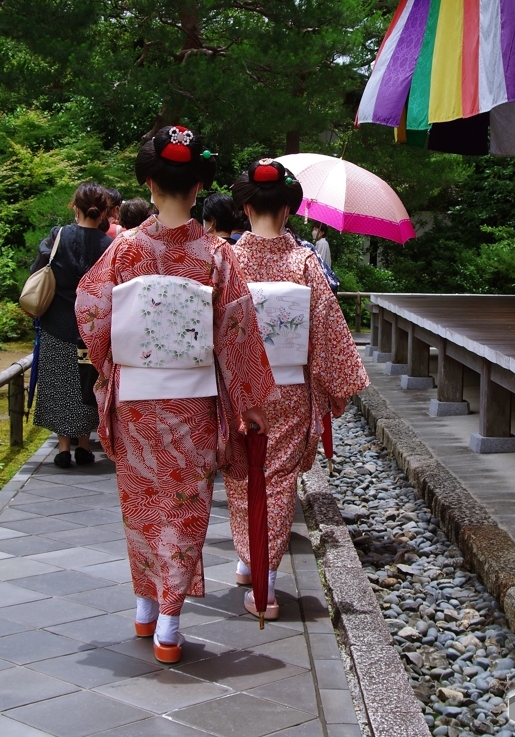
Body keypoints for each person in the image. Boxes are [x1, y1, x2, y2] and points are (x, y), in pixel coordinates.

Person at [75, 126, 275, 664]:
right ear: (196, 190)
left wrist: (110, 365)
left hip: (137, 399)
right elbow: (236, 332)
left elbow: (91, 313)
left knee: (141, 503)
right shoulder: (216, 256)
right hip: (191, 401)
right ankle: (168, 623)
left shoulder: (123, 252)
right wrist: (252, 400)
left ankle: (144, 611)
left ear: (147, 181)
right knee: (185, 506)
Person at [226, 158, 369, 619]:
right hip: (288, 389)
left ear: (245, 206)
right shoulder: (304, 262)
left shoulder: (225, 259)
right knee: (278, 481)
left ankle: (254, 566)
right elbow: (327, 334)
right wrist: (337, 388)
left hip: (239, 389)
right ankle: (263, 576)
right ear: (288, 210)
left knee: (243, 476)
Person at [30, 183, 112, 468]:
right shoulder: (109, 246)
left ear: (74, 208)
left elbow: (38, 267)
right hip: (92, 325)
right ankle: (85, 445)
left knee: (61, 382)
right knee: (88, 382)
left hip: (57, 320)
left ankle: (64, 448)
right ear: (103, 213)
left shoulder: (58, 235)